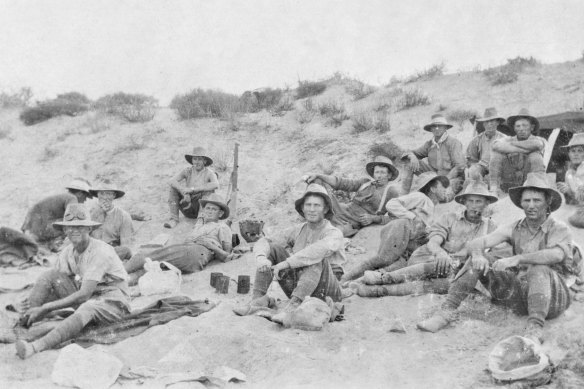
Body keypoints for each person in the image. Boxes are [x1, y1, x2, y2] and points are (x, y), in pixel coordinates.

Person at [417, 172, 581, 344]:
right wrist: (478, 255)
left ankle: (534, 328)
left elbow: (556, 254)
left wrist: (518, 258)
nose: (531, 205)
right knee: (481, 259)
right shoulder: (515, 227)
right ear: (521, 203)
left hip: (552, 298)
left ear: (547, 202)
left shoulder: (559, 228)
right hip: (521, 296)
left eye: (537, 200)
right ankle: (446, 312)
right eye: (527, 200)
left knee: (539, 269)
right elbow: (478, 242)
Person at [15, 204, 130, 359]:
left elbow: (84, 295)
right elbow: (56, 282)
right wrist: (37, 307)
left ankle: (35, 347)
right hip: (90, 294)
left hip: (114, 300)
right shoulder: (68, 252)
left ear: (89, 229)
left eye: (80, 227)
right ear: (65, 230)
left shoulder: (100, 251)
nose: (75, 230)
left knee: (88, 307)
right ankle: (29, 320)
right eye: (70, 227)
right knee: (49, 275)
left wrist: (47, 307)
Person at [351, 180, 498, 297]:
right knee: (444, 269)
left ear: (486, 204)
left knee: (446, 284)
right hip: (427, 259)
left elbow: (492, 254)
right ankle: (384, 278)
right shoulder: (450, 218)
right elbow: (434, 241)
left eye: (478, 201)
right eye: (470, 201)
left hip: (454, 271)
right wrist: (440, 253)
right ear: (464, 203)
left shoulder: (490, 226)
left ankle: (376, 290)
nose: (474, 206)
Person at [233, 184, 344, 317]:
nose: (312, 209)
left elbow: (316, 251)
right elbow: (265, 241)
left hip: (327, 290)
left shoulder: (333, 232)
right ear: (302, 208)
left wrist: (285, 264)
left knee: (314, 259)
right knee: (274, 248)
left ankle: (293, 307)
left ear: (325, 209)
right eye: (308, 205)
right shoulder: (298, 229)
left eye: (317, 205)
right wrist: (262, 258)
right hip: (302, 287)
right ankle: (257, 301)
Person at [341, 172, 450, 283]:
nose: (446, 190)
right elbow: (391, 204)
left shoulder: (431, 205)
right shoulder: (420, 197)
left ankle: (356, 282)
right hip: (400, 229)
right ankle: (346, 278)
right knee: (382, 259)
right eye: (443, 187)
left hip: (407, 239)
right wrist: (412, 217)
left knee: (399, 265)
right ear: (433, 189)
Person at [124, 194, 234, 280]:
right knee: (158, 265)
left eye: (214, 209)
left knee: (147, 255)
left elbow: (227, 256)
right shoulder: (199, 227)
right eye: (208, 208)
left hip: (198, 252)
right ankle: (127, 279)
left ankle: (120, 271)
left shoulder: (222, 227)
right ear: (204, 210)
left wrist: (211, 246)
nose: (210, 211)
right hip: (188, 253)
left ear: (220, 214)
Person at [304, 156, 401, 237]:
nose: (379, 176)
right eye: (377, 172)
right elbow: (341, 183)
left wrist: (373, 218)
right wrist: (319, 175)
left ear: (389, 175)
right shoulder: (365, 182)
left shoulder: (391, 191)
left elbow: (396, 218)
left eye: (383, 172)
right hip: (343, 210)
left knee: (333, 234)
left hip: (354, 222)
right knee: (317, 181)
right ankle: (313, 217)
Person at [21, 178, 93, 249]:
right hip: (37, 231)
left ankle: (51, 245)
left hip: (30, 230)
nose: (85, 200)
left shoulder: (62, 196)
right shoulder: (72, 198)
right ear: (80, 193)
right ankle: (59, 247)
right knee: (73, 224)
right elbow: (73, 219)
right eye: (86, 196)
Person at [401, 114, 465, 195]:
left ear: (445, 128)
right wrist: (412, 156)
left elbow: (460, 166)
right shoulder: (429, 144)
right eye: (434, 126)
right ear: (431, 129)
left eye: (440, 126)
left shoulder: (454, 143)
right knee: (408, 162)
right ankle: (403, 195)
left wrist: (445, 179)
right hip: (435, 177)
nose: (437, 128)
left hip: (452, 179)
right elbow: (410, 152)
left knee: (442, 196)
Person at [488, 108, 546, 195]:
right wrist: (524, 149)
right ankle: (494, 189)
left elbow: (537, 145)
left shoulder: (538, 140)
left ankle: (537, 189)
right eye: (518, 126)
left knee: (535, 156)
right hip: (510, 176)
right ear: (514, 128)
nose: (521, 129)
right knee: (496, 155)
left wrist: (510, 145)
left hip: (528, 177)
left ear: (532, 127)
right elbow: (495, 145)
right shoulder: (509, 139)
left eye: (525, 125)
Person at [163, 147, 219, 229]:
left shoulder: (209, 173)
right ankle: (173, 219)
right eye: (195, 159)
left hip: (201, 208)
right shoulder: (187, 171)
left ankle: (201, 220)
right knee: (173, 188)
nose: (197, 162)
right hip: (187, 206)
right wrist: (183, 191)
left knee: (209, 191)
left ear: (204, 161)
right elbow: (171, 180)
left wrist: (193, 189)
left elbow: (216, 184)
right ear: (192, 161)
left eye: (200, 159)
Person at [89, 180, 133, 260]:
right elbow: (82, 235)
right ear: (97, 195)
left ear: (114, 196)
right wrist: (98, 212)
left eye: (109, 194)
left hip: (111, 252)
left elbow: (125, 244)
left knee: (125, 250)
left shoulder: (123, 215)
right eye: (102, 193)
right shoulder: (89, 213)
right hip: (91, 252)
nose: (105, 197)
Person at [466, 108, 507, 182]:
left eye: (492, 121)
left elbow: (509, 161)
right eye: (486, 122)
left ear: (497, 122)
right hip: (482, 167)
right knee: (473, 172)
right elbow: (471, 159)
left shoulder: (504, 139)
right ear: (483, 124)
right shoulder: (477, 139)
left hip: (499, 169)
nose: (489, 124)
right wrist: (475, 168)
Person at [557, 133, 584, 228]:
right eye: (573, 151)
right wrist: (566, 192)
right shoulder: (569, 174)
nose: (576, 154)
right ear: (569, 154)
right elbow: (571, 202)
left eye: (580, 151)